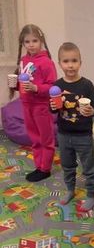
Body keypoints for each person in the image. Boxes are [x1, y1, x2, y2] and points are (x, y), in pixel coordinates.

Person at [50, 42, 94, 209]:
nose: (70, 65)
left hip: (83, 134)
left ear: (80, 62)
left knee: (89, 167)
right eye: (66, 61)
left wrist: (91, 110)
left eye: (74, 61)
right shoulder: (57, 86)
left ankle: (91, 194)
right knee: (67, 165)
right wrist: (54, 106)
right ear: (59, 63)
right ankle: (70, 189)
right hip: (64, 134)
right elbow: (52, 108)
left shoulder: (87, 84)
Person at [10, 24, 57, 182]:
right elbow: (22, 84)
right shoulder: (24, 60)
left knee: (45, 137)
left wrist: (36, 87)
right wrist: (15, 84)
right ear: (22, 44)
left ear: (41, 41)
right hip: (26, 104)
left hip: (40, 106)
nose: (31, 44)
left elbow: (52, 86)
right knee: (34, 137)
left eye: (34, 40)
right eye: (27, 41)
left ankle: (45, 168)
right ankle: (39, 166)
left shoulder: (46, 62)